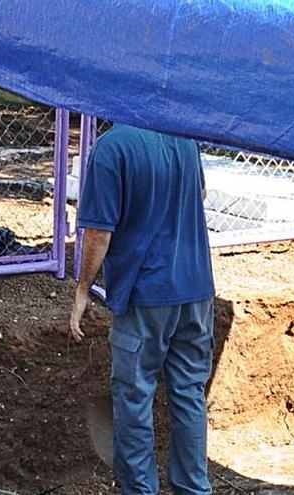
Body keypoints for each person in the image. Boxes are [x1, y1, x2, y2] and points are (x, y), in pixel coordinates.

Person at [69, 124, 215, 495]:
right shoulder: (183, 137)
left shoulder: (112, 147)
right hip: (196, 289)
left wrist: (83, 289)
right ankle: (194, 488)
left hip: (146, 292)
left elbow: (99, 233)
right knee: (189, 392)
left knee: (134, 396)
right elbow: (199, 192)